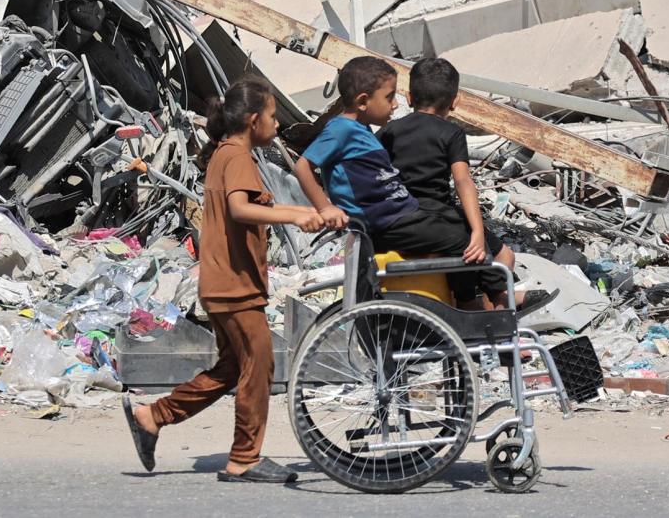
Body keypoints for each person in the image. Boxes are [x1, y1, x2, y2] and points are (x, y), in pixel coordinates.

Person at [123, 77, 324, 484]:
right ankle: (244, 459)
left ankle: (152, 416)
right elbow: (239, 209)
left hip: (226, 282)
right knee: (260, 362)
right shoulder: (236, 156)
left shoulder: (227, 153)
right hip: (232, 283)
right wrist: (296, 214)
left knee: (233, 367)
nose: (277, 125)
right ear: (253, 120)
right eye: (272, 117)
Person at [293, 56, 489, 310]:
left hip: (400, 212)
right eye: (389, 97)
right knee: (459, 240)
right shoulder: (340, 130)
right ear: (364, 101)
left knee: (455, 221)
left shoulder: (363, 130)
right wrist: (325, 207)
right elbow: (303, 166)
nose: (395, 105)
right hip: (385, 220)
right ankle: (467, 304)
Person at [377, 58, 520, 308]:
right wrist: (476, 230)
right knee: (501, 256)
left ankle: (493, 313)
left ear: (410, 97)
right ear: (455, 101)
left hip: (402, 218)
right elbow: (463, 181)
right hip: (438, 217)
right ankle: (490, 310)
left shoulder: (387, 132)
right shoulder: (451, 133)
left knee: (493, 253)